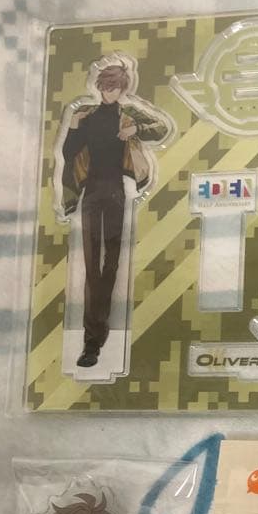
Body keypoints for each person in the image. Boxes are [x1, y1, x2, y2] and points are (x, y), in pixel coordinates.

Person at [58, 58, 171, 368]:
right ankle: (92, 342)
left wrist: (135, 127)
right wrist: (75, 127)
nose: (110, 92)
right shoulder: (86, 116)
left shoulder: (127, 114)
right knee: (91, 267)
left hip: (116, 194)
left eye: (116, 88)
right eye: (106, 87)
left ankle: (97, 332)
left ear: (123, 89)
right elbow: (68, 153)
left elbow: (161, 128)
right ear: (99, 87)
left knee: (112, 265)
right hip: (91, 195)